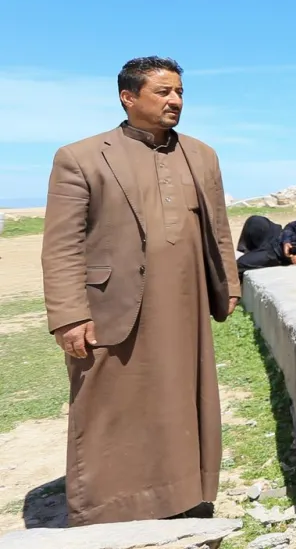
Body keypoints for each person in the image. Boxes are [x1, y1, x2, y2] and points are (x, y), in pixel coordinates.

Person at [41, 56, 240, 525]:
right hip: (113, 308)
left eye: (180, 93)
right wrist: (69, 314)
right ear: (128, 97)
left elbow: (219, 227)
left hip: (186, 302)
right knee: (110, 406)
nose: (175, 101)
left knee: (183, 399)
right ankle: (108, 509)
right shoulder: (82, 156)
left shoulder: (202, 154)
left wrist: (228, 283)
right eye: (163, 92)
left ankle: (187, 495)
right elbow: (62, 243)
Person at [236, 199, 296, 276]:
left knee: (240, 263)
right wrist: (286, 241)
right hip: (278, 236)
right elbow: (290, 226)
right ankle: (252, 252)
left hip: (277, 254)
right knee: (255, 221)